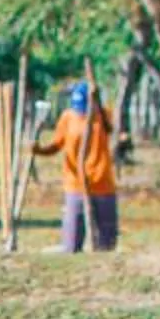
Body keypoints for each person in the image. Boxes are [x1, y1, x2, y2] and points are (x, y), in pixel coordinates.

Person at [38, 80, 119, 251]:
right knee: (71, 242)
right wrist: (38, 149)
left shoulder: (104, 116)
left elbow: (111, 128)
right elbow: (56, 145)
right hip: (76, 182)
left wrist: (97, 104)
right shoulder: (68, 117)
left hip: (101, 181)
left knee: (107, 243)